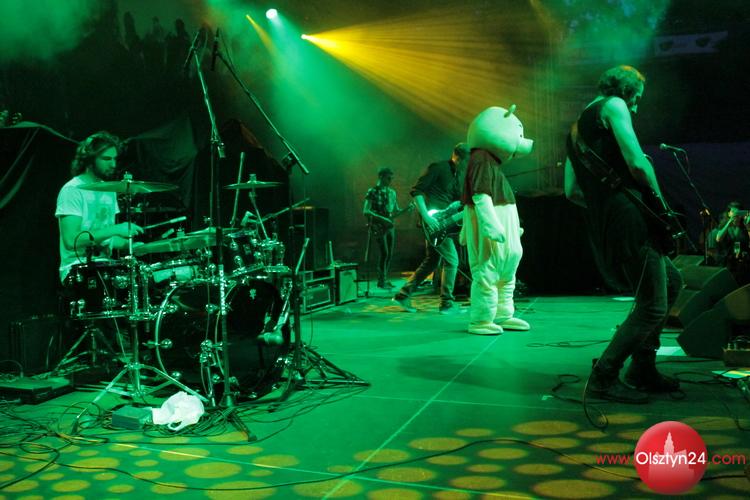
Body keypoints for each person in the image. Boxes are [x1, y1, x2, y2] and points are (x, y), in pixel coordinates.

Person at [564, 65, 683, 404]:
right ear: (626, 91)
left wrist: (606, 203)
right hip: (631, 217)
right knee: (652, 305)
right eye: (636, 99)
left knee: (671, 282)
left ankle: (642, 368)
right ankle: (604, 377)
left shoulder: (574, 131)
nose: (635, 108)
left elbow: (571, 191)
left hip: (607, 222)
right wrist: (662, 206)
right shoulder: (613, 105)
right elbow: (637, 164)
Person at [462, 106, 533, 335]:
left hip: (505, 231)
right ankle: (481, 319)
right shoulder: (480, 159)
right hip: (492, 232)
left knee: (506, 274)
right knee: (487, 272)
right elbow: (480, 196)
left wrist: (513, 229)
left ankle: (503, 314)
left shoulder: (491, 162)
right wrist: (491, 225)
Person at [56, 131, 144, 283]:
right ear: (90, 160)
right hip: (77, 269)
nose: (113, 164)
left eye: (114, 159)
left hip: (105, 265)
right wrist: (115, 229)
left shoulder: (109, 190)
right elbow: (71, 241)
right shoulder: (72, 190)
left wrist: (130, 245)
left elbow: (106, 239)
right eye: (106, 159)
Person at [393, 143, 470, 313]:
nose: (467, 166)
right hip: (433, 221)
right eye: (466, 162)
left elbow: (457, 201)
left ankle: (403, 295)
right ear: (457, 157)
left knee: (431, 262)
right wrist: (426, 217)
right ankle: (446, 303)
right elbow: (417, 191)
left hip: (445, 225)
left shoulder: (458, 175)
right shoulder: (438, 168)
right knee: (452, 260)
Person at [363, 167, 412, 288]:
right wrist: (383, 219)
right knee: (384, 253)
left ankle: (383, 279)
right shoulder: (372, 191)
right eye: (388, 178)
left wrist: (406, 209)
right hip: (378, 226)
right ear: (381, 176)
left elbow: (396, 211)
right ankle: (381, 281)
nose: (390, 180)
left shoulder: (392, 193)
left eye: (391, 178)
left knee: (389, 253)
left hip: (390, 226)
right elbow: (366, 211)